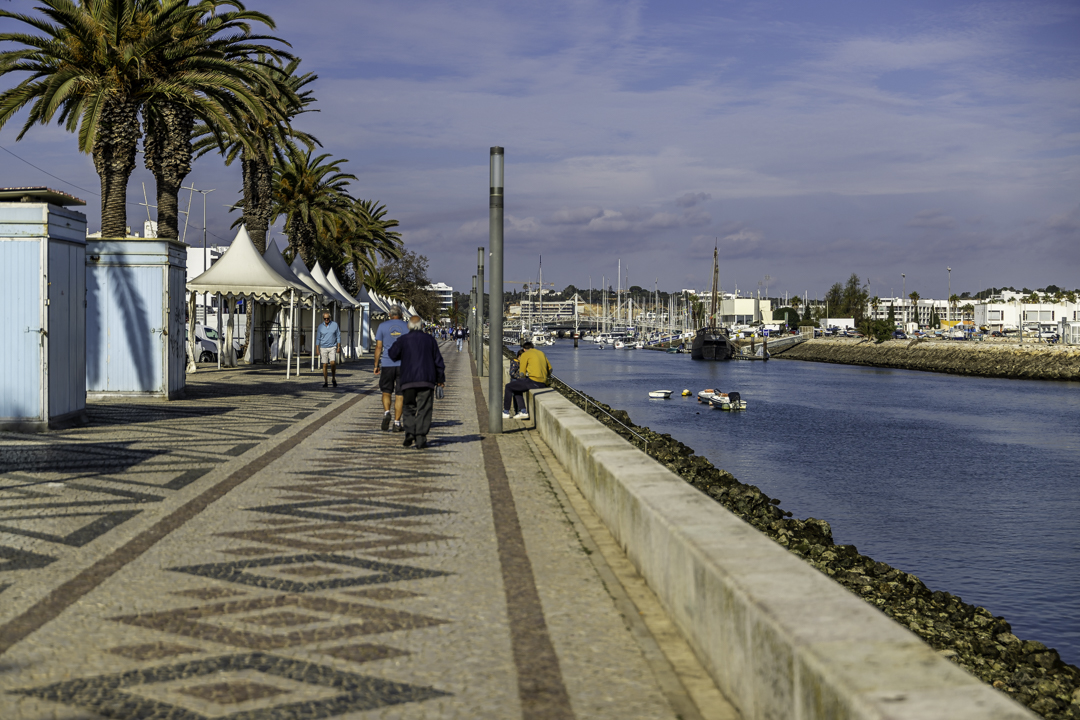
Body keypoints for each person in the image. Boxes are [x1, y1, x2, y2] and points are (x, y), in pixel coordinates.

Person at [388, 315, 445, 449]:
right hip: (426, 380)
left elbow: (392, 354)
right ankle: (420, 436)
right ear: (422, 326)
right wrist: (440, 379)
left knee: (408, 407)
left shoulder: (403, 340)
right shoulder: (430, 340)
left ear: (408, 326)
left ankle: (410, 432)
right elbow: (438, 361)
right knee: (424, 409)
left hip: (408, 380)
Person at [374, 306, 410, 432]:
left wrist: (376, 365)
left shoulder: (382, 326)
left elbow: (378, 347)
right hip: (403, 365)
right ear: (401, 314)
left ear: (389, 314)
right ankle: (396, 423)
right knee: (400, 395)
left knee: (386, 391)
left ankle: (387, 412)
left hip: (387, 364)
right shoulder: (407, 326)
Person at [502, 340, 551, 420]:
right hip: (543, 382)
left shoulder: (525, 354)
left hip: (534, 381)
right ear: (533, 347)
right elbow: (550, 369)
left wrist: (522, 379)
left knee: (509, 387)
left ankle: (506, 412)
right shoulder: (541, 353)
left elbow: (522, 373)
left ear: (524, 349)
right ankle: (523, 411)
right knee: (517, 387)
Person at [315, 311, 341, 387]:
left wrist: (338, 347)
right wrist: (317, 349)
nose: (326, 320)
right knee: (325, 364)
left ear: (330, 318)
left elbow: (338, 336)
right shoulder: (320, 327)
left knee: (333, 363)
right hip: (323, 347)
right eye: (325, 319)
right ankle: (326, 381)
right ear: (323, 319)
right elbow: (318, 338)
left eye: (327, 318)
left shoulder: (335, 325)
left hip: (332, 346)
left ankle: (333, 378)